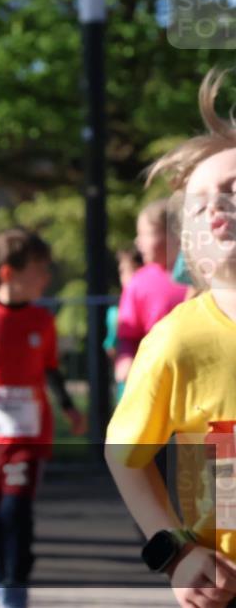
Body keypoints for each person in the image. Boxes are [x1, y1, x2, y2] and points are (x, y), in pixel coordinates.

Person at [106, 68, 236, 608]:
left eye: (233, 190)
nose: (215, 211)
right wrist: (175, 554)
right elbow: (125, 455)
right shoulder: (177, 342)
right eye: (199, 204)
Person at [0, 228, 86, 608]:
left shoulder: (41, 321)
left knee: (17, 512)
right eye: (39, 269)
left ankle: (14, 590)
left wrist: (68, 407)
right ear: (8, 273)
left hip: (26, 439)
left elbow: (51, 369)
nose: (46, 278)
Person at [114, 199, 188, 387]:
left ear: (175, 233)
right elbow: (128, 336)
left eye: (146, 234)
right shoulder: (139, 283)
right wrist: (125, 359)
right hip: (154, 379)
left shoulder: (203, 277)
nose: (138, 242)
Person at [105, 249, 143, 404]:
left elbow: (111, 348)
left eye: (131, 271)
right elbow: (112, 348)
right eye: (123, 272)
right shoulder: (115, 313)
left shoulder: (118, 312)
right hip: (128, 385)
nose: (125, 277)